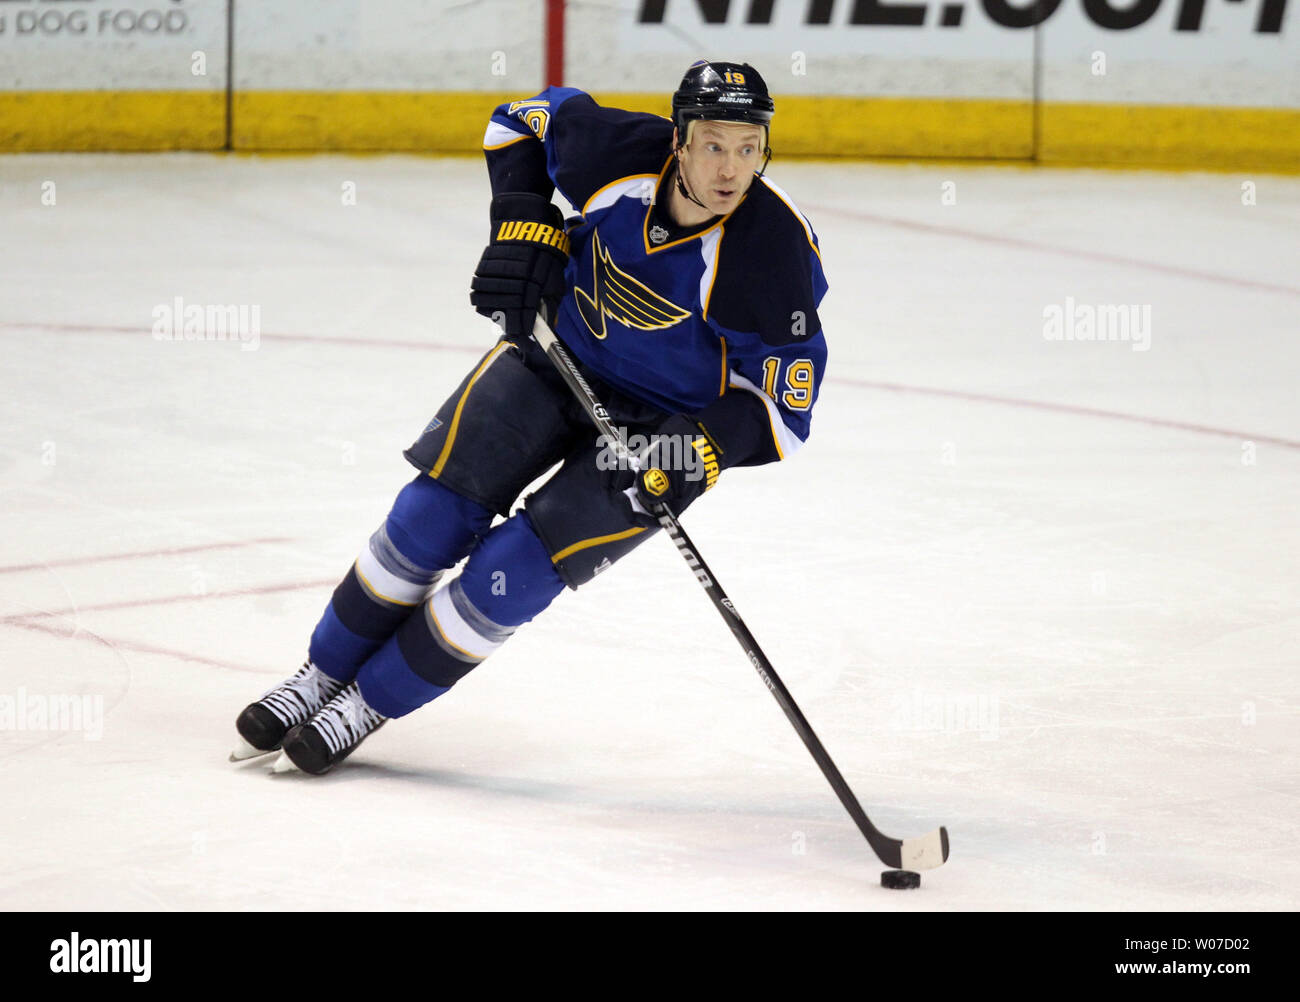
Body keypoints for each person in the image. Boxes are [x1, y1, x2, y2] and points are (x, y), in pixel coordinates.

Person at [231, 60, 829, 775]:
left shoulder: (775, 255)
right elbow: (516, 121)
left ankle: (370, 703)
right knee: (429, 517)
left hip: (654, 430)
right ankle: (321, 677)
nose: (731, 168)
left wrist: (692, 451)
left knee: (511, 574)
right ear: (677, 138)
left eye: (748, 146)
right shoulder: (614, 153)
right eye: (712, 144)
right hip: (551, 358)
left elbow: (783, 404)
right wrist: (523, 220)